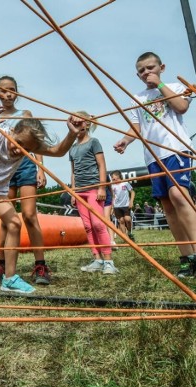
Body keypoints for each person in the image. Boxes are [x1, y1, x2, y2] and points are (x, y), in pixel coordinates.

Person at [0, 113, 84, 304]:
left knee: (14, 222)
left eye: (26, 149)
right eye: (18, 142)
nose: (19, 149)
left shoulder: (26, 148)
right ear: (13, 131)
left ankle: (10, 278)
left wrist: (72, 134)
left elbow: (57, 151)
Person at [113, 51, 196, 281]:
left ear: (162, 67)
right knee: (168, 206)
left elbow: (181, 107)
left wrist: (159, 84)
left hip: (175, 150)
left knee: (179, 195)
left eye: (150, 68)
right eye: (141, 70)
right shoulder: (136, 98)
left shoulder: (175, 87)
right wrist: (125, 140)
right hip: (153, 157)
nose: (146, 73)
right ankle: (186, 257)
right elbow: (137, 127)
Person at [0, 76, 51, 286]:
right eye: (3, 91)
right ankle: (2, 264)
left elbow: (37, 142)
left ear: (17, 93)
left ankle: (40, 264)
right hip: (4, 168)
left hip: (25, 165)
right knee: (6, 216)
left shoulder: (25, 115)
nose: (8, 94)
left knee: (30, 214)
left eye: (12, 90)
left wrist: (41, 168)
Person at [69, 112, 118, 275]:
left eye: (79, 122)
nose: (76, 125)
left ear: (87, 124)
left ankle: (109, 261)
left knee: (98, 224)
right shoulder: (73, 148)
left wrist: (102, 188)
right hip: (80, 191)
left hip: (94, 189)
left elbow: (102, 165)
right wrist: (73, 192)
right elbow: (73, 172)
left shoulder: (94, 142)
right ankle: (97, 259)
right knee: (88, 227)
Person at [110, 170, 135, 240]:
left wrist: (131, 201)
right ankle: (125, 237)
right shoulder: (112, 186)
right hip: (117, 206)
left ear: (118, 176)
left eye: (113, 177)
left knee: (127, 219)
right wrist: (112, 207)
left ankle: (129, 232)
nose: (112, 179)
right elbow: (113, 196)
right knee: (121, 221)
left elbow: (132, 192)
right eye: (111, 178)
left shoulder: (125, 183)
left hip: (126, 205)